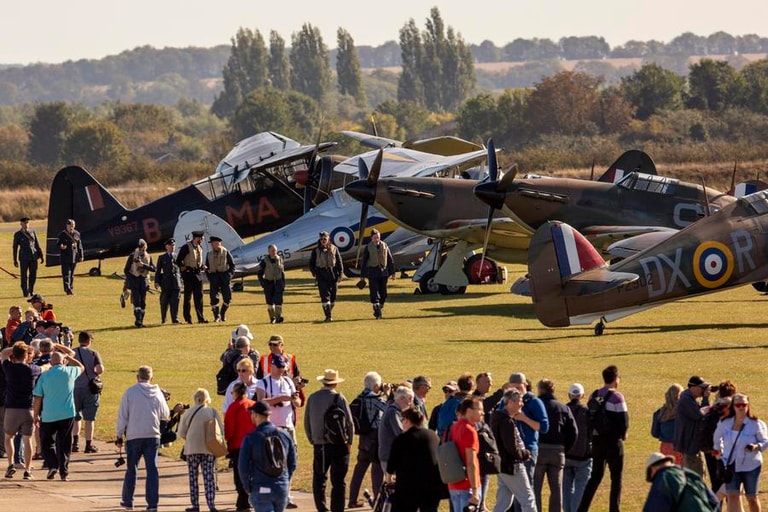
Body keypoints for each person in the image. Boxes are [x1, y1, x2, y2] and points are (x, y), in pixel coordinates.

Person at [116, 365, 171, 512]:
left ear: (137, 377)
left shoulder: (130, 392)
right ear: (151, 377)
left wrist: (119, 435)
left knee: (131, 469)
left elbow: (123, 416)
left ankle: (128, 500)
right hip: (152, 435)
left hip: (134, 435)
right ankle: (152, 504)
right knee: (152, 469)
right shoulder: (158, 393)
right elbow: (165, 414)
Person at [577, 365, 629, 512]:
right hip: (613, 442)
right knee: (616, 478)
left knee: (595, 477)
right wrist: (623, 434)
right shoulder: (617, 397)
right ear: (615, 379)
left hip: (597, 441)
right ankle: (614, 509)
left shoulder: (594, 395)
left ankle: (582, 508)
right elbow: (624, 421)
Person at [305, 369, 354, 512]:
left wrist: (312, 439)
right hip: (339, 444)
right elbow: (350, 423)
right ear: (335, 384)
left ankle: (322, 508)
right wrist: (349, 441)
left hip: (319, 444)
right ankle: (337, 509)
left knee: (319, 478)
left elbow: (307, 422)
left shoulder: (313, 398)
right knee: (338, 481)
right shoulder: (339, 398)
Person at [32, 345, 84, 480]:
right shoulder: (70, 372)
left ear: (51, 362)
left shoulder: (44, 376)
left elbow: (38, 397)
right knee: (65, 443)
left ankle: (52, 465)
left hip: (49, 415)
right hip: (67, 413)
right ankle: (64, 471)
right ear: (63, 361)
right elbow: (81, 367)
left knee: (46, 443)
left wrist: (36, 415)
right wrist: (68, 358)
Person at [239, 400, 297, 512]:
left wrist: (248, 487)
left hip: (261, 486)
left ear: (255, 415)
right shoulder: (285, 434)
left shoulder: (251, 438)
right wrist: (285, 479)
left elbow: (243, 466)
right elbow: (292, 462)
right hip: (281, 487)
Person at [713, 393, 768, 512]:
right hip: (731, 465)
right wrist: (719, 451)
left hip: (751, 466)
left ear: (748, 406)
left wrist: (756, 446)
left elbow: (765, 441)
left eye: (744, 404)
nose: (741, 407)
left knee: (752, 498)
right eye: (738, 405)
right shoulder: (725, 423)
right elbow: (717, 438)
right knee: (732, 496)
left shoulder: (756, 424)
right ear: (733, 406)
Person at [386, 407, 444, 512]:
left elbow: (391, 464)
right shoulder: (433, 436)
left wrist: (388, 479)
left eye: (402, 420)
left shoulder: (402, 439)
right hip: (432, 486)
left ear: (407, 421)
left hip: (408, 487)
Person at [534, 378, 577, 512]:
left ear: (541, 390)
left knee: (535, 488)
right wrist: (565, 448)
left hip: (539, 449)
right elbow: (574, 432)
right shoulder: (563, 407)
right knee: (557, 489)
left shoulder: (535, 406)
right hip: (558, 451)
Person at [178, 388, 225, 512]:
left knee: (193, 477)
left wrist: (190, 438)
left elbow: (181, 432)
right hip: (209, 448)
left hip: (192, 448)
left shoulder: (188, 412)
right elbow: (220, 430)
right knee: (208, 476)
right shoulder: (212, 411)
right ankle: (211, 504)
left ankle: (195, 505)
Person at [491, 389, 537, 512]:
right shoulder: (506, 421)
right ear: (510, 402)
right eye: (519, 401)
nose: (522, 404)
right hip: (512, 466)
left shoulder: (499, 418)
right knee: (528, 500)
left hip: (502, 466)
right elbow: (512, 447)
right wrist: (525, 454)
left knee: (503, 503)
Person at [2, 341, 42, 480]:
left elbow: (3, 353)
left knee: (8, 437)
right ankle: (27, 470)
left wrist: (16, 348)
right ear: (26, 356)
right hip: (28, 408)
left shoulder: (9, 368)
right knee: (27, 439)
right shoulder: (33, 370)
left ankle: (11, 464)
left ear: (14, 355)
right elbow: (45, 367)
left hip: (12, 408)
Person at [348, 371, 388, 508]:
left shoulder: (360, 397)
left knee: (359, 469)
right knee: (377, 471)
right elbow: (389, 409)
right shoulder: (375, 399)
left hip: (364, 437)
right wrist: (387, 395)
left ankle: (352, 499)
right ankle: (378, 502)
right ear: (376, 386)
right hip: (375, 438)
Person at [643, 452, 719, 512]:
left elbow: (654, 508)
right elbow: (715, 502)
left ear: (653, 469)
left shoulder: (662, 477)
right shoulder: (690, 474)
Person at [224, 382, 256, 512]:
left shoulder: (234, 407)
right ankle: (248, 499)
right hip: (253, 445)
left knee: (240, 474)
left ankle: (243, 500)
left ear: (236, 393)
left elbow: (229, 428)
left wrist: (227, 441)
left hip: (238, 446)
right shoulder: (253, 405)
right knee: (251, 473)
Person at [448, 397, 483, 512]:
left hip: (454, 484)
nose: (482, 413)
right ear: (469, 411)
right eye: (479, 409)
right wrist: (475, 490)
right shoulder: (469, 430)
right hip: (467, 485)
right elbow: (471, 462)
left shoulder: (454, 427)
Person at [72, 331, 105, 454]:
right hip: (90, 388)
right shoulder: (93, 353)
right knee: (89, 419)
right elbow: (99, 369)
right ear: (89, 341)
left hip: (74, 387)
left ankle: (75, 443)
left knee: (76, 417)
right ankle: (88, 444)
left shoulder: (72, 353)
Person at [564, 383, 592, 512]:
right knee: (581, 487)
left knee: (566, 488)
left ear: (569, 395)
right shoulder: (587, 412)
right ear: (582, 396)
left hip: (566, 455)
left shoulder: (564, 410)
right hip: (583, 456)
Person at [675, 375, 711, 476]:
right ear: (693, 387)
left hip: (692, 444)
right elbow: (700, 416)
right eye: (701, 388)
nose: (703, 390)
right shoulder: (686, 400)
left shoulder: (690, 399)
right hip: (690, 446)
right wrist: (705, 399)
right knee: (696, 475)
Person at [359, 228, 395, 319]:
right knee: (374, 293)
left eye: (378, 237)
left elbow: (390, 259)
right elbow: (364, 261)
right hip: (373, 272)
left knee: (384, 294)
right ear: (371, 238)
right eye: (375, 238)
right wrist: (362, 275)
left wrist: (393, 272)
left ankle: (379, 306)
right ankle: (378, 312)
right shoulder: (368, 247)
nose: (377, 239)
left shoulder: (385, 245)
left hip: (383, 272)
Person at [308, 231, 343, 322]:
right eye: (321, 239)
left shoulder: (334, 248)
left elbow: (339, 262)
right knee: (324, 296)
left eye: (325, 239)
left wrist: (340, 274)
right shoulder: (315, 250)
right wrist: (314, 273)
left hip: (332, 274)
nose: (323, 241)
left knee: (333, 297)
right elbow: (311, 264)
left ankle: (328, 311)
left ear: (328, 239)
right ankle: (328, 316)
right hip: (321, 274)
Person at [378, 385, 414, 473]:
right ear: (401, 398)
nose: (410, 403)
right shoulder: (393, 412)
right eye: (409, 399)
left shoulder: (392, 408)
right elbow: (401, 433)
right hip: (390, 457)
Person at [176, 230, 208, 324]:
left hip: (198, 274)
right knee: (188, 297)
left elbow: (198, 261)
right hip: (189, 275)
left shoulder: (200, 247)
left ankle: (200, 318)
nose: (202, 240)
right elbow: (178, 260)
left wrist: (203, 266)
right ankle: (188, 318)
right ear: (196, 238)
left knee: (199, 297)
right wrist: (185, 269)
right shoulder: (186, 247)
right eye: (201, 238)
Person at [124, 239, 156, 328]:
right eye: (141, 248)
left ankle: (141, 321)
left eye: (144, 248)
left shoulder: (148, 256)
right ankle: (138, 320)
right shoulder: (132, 256)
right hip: (134, 280)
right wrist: (130, 280)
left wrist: (144, 266)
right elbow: (126, 270)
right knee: (136, 300)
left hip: (144, 281)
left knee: (143, 302)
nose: (143, 250)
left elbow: (154, 268)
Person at [652, 383, 683, 465]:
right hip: (681, 446)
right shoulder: (683, 412)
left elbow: (654, 433)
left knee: (668, 469)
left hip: (666, 447)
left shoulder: (660, 412)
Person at [205, 236, 235, 322]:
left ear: (219, 243)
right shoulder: (209, 254)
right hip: (214, 277)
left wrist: (229, 275)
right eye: (212, 243)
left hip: (224, 276)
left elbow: (232, 265)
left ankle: (222, 313)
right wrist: (210, 277)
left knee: (227, 298)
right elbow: (206, 267)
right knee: (213, 298)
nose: (212, 245)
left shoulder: (226, 252)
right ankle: (216, 316)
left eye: (214, 243)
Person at [12, 217, 44, 297]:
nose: (26, 224)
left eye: (27, 223)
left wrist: (41, 255)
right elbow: (15, 247)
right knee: (24, 275)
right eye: (25, 223)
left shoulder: (32, 232)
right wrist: (15, 260)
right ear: (21, 224)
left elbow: (37, 244)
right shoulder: (18, 234)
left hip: (33, 256)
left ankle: (31, 290)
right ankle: (25, 292)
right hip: (24, 257)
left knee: (33, 274)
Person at [155, 238, 182, 324]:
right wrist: (157, 281)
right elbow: (158, 271)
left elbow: (181, 269)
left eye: (173, 245)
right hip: (166, 282)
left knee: (175, 301)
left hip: (176, 282)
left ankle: (175, 318)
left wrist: (181, 280)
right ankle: (164, 318)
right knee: (164, 302)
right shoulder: (162, 257)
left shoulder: (178, 257)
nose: (172, 247)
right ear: (166, 247)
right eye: (170, 245)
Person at [256, 244, 286, 324]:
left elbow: (282, 272)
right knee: (269, 302)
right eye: (272, 251)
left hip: (278, 282)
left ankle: (278, 317)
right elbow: (259, 273)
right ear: (268, 251)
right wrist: (263, 284)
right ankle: (272, 318)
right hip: (268, 283)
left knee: (278, 301)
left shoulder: (280, 259)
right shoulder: (264, 261)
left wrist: (283, 283)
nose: (274, 252)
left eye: (275, 250)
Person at [57, 218, 84, 295]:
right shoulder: (62, 234)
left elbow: (79, 246)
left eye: (72, 225)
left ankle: (70, 287)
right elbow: (57, 244)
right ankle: (67, 289)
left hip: (74, 257)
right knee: (66, 274)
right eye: (70, 226)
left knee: (71, 274)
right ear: (67, 226)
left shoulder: (77, 234)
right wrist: (61, 246)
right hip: (65, 257)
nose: (71, 227)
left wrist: (81, 255)